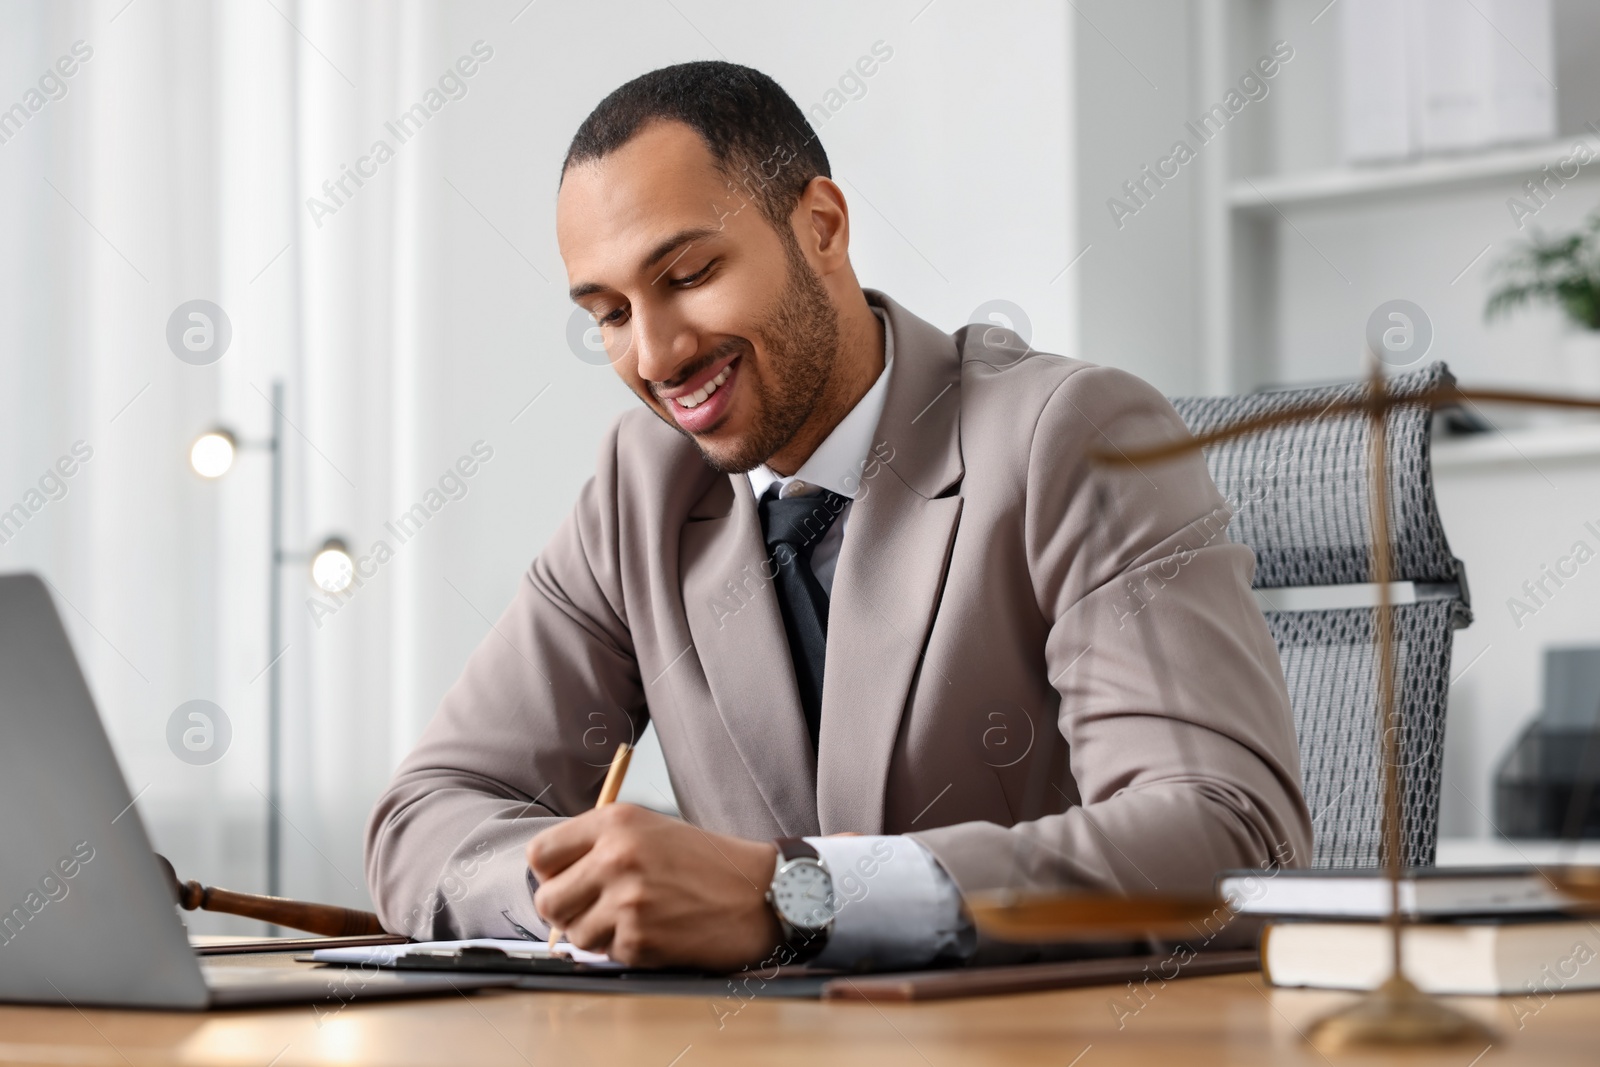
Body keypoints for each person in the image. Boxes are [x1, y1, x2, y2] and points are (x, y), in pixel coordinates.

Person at [365, 60, 1311, 972]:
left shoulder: (1069, 437)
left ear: (821, 225)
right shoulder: (641, 488)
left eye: (690, 274)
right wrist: (582, 894)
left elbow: (1230, 837)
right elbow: (425, 818)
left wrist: (795, 897)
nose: (655, 355)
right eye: (610, 312)